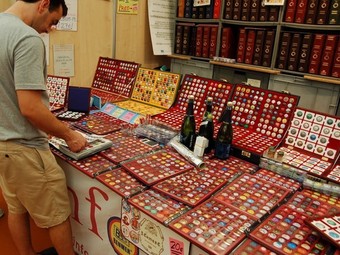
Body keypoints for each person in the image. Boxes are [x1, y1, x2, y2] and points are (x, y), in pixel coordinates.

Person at [0, 1, 87, 255]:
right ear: (44, 4)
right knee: (57, 214)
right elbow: (30, 107)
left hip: (3, 144)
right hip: (25, 147)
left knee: (16, 207)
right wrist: (68, 134)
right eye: (53, 21)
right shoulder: (27, 38)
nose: (50, 30)